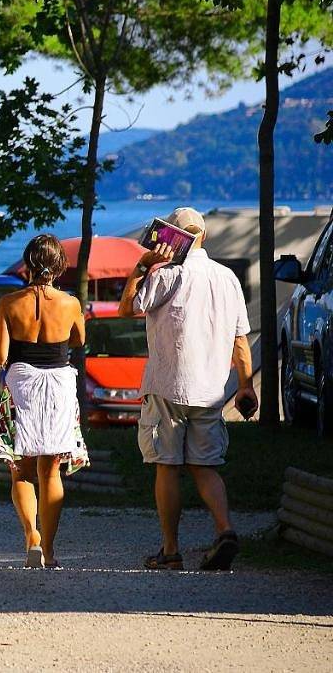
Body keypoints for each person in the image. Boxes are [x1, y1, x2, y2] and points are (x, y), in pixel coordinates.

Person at [118, 206, 254, 571]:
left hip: (168, 385)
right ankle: (224, 530)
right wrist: (245, 386)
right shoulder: (227, 278)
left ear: (171, 237)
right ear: (204, 236)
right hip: (211, 390)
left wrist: (143, 265)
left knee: (167, 466)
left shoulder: (166, 275)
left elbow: (127, 308)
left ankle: (171, 549)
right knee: (205, 466)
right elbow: (241, 339)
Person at [0, 233, 87, 568]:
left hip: (23, 385)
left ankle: (32, 536)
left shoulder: (9, 303)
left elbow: (1, 357)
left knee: (21, 470)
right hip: (59, 386)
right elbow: (78, 339)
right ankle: (50, 550)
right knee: (51, 470)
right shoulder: (71, 303)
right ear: (59, 266)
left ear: (28, 264)